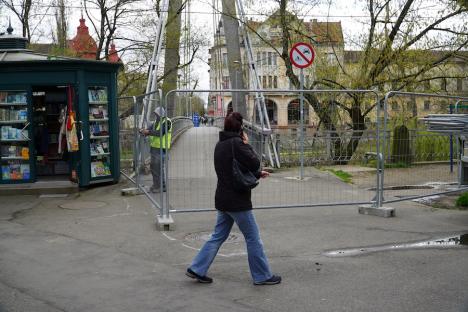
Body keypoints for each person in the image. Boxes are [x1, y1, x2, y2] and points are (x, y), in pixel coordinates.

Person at [186, 112, 281, 285]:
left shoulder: (220, 145)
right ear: (240, 128)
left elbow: (233, 168)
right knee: (253, 237)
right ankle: (262, 275)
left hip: (223, 198)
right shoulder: (237, 144)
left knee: (218, 236)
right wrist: (247, 144)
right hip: (237, 201)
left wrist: (258, 174)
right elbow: (253, 162)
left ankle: (197, 268)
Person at [139, 107, 172, 193]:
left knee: (158, 168)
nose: (155, 115)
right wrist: (143, 131)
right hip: (154, 148)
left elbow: (160, 133)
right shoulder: (155, 122)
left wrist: (148, 132)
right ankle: (158, 185)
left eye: (156, 114)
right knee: (154, 168)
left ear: (160, 114)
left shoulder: (167, 121)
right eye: (155, 114)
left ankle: (159, 186)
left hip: (162, 149)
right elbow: (149, 130)